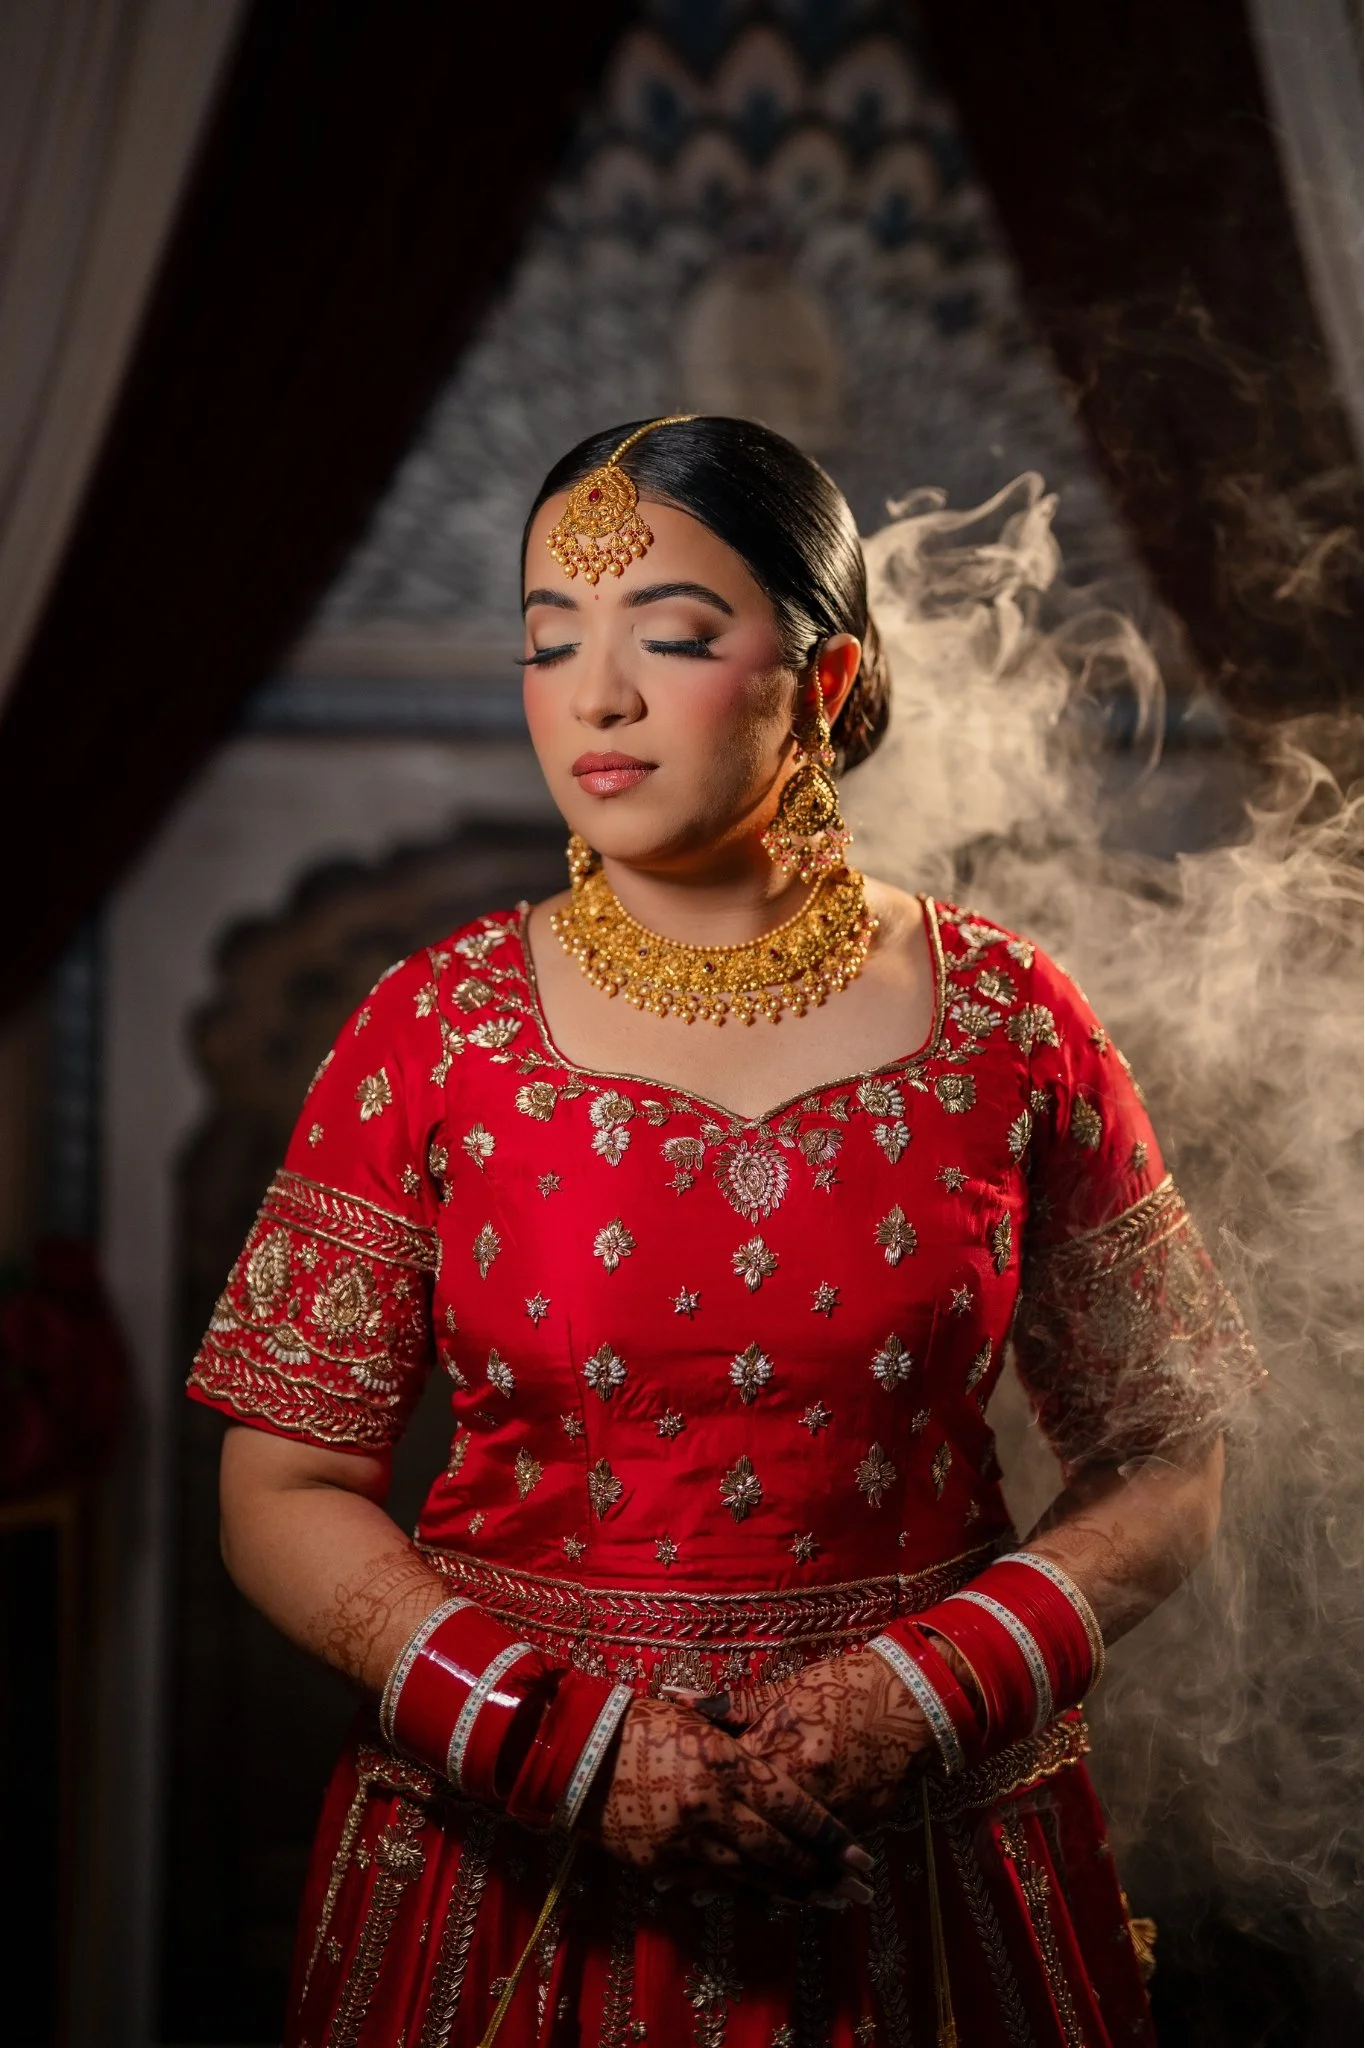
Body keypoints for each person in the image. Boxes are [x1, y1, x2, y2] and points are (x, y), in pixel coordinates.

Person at [189, 415, 1262, 2047]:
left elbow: (1172, 1460)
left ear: (823, 686)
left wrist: (922, 1690)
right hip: (512, 1873)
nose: (594, 696)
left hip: (923, 1858)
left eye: (672, 638)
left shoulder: (1009, 1018)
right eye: (551, 644)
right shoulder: (436, 1031)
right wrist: (566, 1744)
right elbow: (278, 1489)